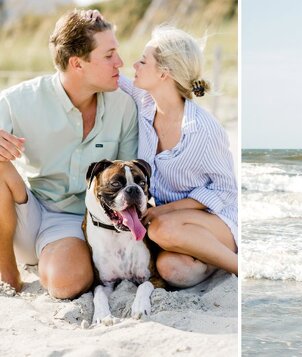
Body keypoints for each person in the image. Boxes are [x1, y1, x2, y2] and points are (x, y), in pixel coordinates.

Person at [0, 10, 138, 299]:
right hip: (26, 214)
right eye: (109, 55)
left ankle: (53, 259)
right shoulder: (18, 101)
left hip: (79, 223)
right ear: (77, 64)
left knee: (66, 283)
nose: (120, 63)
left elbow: (128, 179)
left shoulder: (123, 106)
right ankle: (8, 274)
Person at [118, 25, 238, 288]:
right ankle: (207, 259)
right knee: (170, 269)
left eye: (143, 60)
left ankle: (241, 268)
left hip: (217, 223)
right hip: (173, 227)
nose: (134, 65)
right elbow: (108, 76)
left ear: (164, 73)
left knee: (161, 229)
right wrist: (89, 23)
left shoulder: (204, 130)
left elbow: (226, 190)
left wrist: (164, 210)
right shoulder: (145, 102)